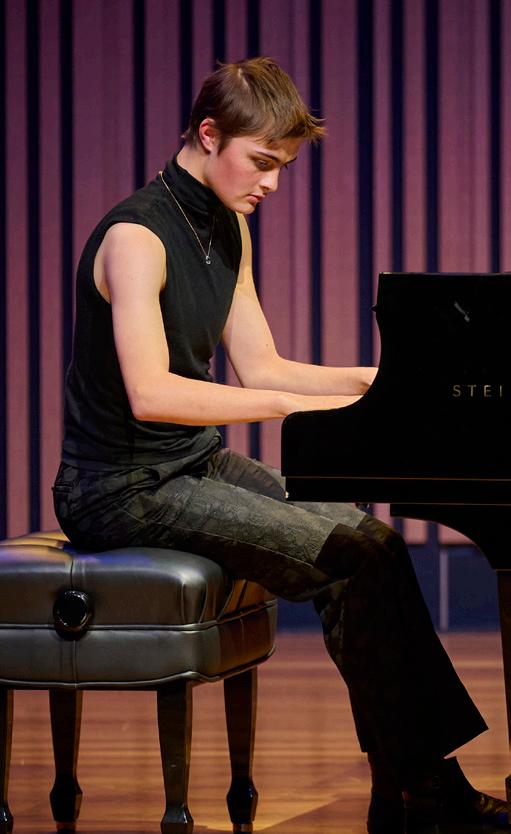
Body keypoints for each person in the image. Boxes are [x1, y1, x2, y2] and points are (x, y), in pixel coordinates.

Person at [53, 57, 508, 833]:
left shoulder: (226, 225)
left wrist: (372, 381)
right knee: (353, 556)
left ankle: (407, 782)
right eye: (261, 161)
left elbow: (262, 365)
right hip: (119, 488)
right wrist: (298, 407)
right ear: (207, 134)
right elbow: (152, 394)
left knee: (372, 543)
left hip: (187, 464)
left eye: (281, 168)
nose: (270, 183)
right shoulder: (136, 237)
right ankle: (423, 791)